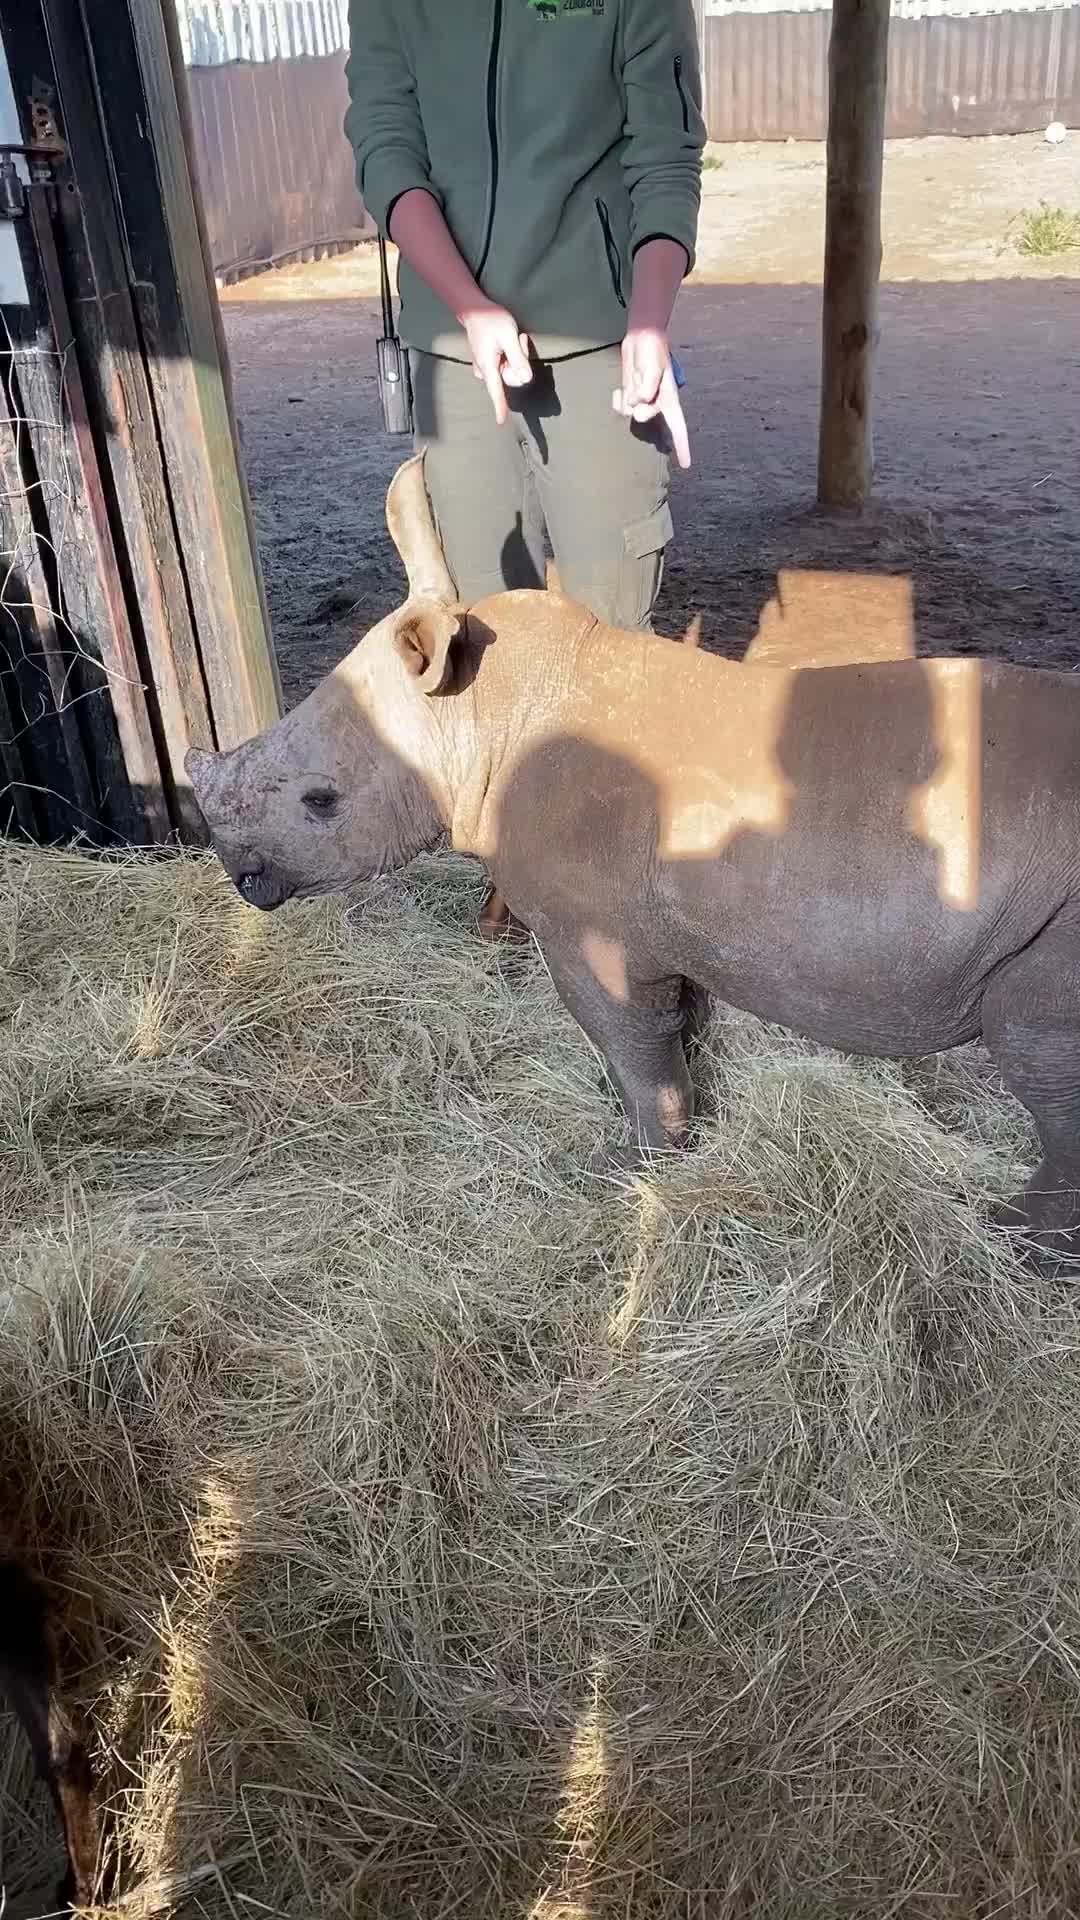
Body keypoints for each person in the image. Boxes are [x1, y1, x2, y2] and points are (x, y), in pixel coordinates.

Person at [345, 0, 705, 935]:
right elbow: (388, 152)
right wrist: (466, 305)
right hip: (454, 340)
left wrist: (651, 321)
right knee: (477, 618)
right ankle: (517, 852)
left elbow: (663, 159)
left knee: (612, 609)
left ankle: (613, 854)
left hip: (600, 331)